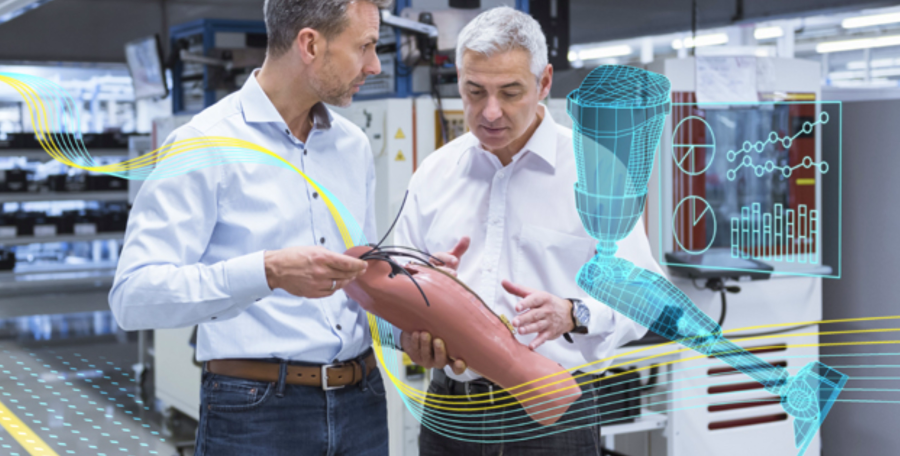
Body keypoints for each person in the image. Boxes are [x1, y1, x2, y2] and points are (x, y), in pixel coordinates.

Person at [109, 0, 392, 454]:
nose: (374, 66)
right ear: (310, 44)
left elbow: (365, 279)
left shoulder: (351, 145)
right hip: (258, 412)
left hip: (362, 401)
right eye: (364, 47)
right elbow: (133, 296)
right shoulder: (204, 144)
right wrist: (267, 271)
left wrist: (424, 301)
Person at [395, 7, 667, 455]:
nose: (490, 112)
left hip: (550, 419)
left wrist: (574, 313)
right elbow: (397, 288)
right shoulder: (436, 173)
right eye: (474, 91)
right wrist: (416, 326)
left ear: (543, 82)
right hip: (449, 415)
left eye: (510, 91)